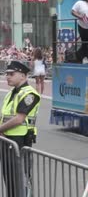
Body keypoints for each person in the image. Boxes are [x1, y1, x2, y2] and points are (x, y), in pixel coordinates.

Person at [1, 61, 41, 197]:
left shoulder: (30, 94)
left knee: (20, 180)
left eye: (11, 74)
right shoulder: (12, 93)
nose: (8, 77)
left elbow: (19, 119)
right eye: (7, 74)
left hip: (20, 141)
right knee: (10, 180)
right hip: (7, 140)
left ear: (23, 76)